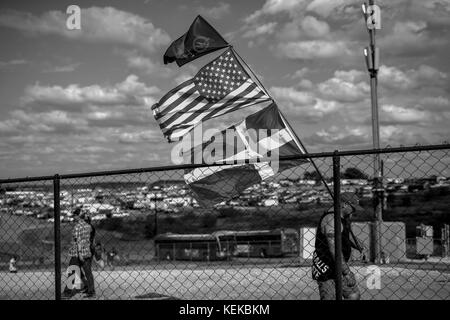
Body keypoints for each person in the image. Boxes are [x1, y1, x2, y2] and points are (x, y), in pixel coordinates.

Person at [312, 192, 363, 300]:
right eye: (353, 208)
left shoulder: (341, 218)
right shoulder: (332, 220)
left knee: (353, 296)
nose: (354, 212)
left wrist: (356, 245)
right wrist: (347, 272)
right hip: (326, 268)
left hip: (339, 266)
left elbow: (342, 237)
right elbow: (334, 249)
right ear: (344, 204)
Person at [62, 208, 96, 299]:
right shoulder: (88, 226)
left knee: (72, 271)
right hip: (87, 252)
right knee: (87, 272)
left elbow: (78, 242)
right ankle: (91, 291)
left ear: (78, 216)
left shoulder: (77, 227)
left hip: (77, 253)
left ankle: (67, 292)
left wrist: (80, 253)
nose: (73, 217)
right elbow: (89, 240)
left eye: (74, 216)